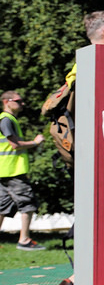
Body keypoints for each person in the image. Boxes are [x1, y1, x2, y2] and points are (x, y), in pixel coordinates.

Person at [55, 10, 104, 285]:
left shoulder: (79, 68)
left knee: (103, 223)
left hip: (89, 158)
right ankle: (78, 281)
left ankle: (78, 282)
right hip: (100, 158)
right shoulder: (99, 66)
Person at [0, 91, 48, 250]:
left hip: (4, 170)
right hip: (14, 171)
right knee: (28, 203)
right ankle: (24, 240)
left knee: (2, 206)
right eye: (19, 101)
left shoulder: (7, 119)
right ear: (7, 102)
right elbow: (15, 145)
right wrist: (35, 142)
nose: (22, 104)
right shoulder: (6, 120)